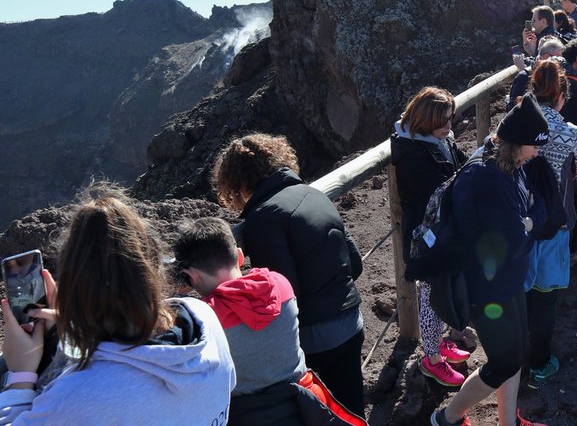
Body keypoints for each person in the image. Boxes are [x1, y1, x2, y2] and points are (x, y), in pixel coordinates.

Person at [0, 184, 237, 425]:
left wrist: (20, 374)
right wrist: (75, 325)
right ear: (153, 266)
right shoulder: (203, 318)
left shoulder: (79, 396)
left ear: (72, 284)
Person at [212, 134, 365, 417]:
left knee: (324, 415)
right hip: (352, 322)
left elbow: (284, 295)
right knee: (352, 410)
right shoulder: (315, 195)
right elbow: (355, 264)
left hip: (317, 340)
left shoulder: (262, 218)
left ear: (238, 181)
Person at [173, 217, 364, 426]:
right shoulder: (280, 285)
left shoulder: (204, 317)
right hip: (306, 405)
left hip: (250, 415)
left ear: (191, 277)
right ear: (238, 256)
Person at [431, 95, 550, 426]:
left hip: (508, 280)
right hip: (485, 286)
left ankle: (507, 422)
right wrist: (526, 224)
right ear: (517, 142)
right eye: (535, 145)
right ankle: (447, 416)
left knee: (515, 354)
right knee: (503, 360)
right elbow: (510, 239)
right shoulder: (486, 176)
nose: (538, 153)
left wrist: (526, 223)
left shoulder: (513, 166)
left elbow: (539, 207)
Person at [390, 88, 471, 388]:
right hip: (427, 237)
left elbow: (458, 165)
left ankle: (440, 343)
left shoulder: (436, 140)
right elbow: (442, 188)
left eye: (451, 119)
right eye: (445, 121)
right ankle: (432, 359)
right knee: (430, 295)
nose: (450, 127)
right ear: (426, 120)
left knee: (444, 288)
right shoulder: (412, 154)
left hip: (443, 230)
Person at [522, 62, 577, 390]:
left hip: (517, 224)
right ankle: (540, 362)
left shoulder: (515, 126)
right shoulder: (570, 132)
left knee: (519, 293)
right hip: (554, 225)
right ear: (561, 96)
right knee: (545, 297)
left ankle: (512, 360)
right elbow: (576, 170)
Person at [507, 37, 565, 111]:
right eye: (558, 58)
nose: (561, 62)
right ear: (546, 56)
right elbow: (512, 107)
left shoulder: (558, 77)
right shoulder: (524, 76)